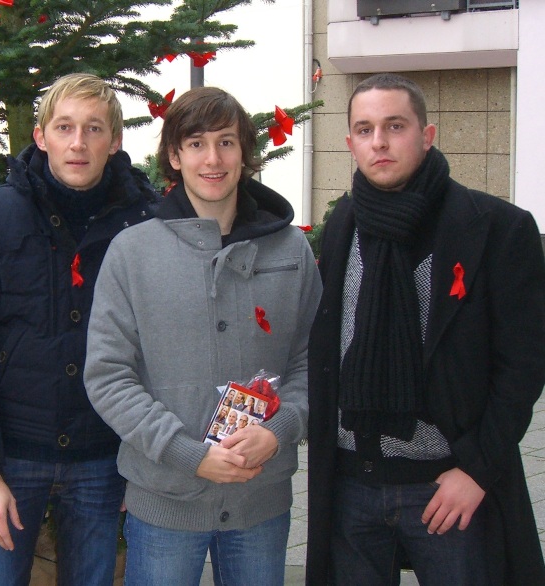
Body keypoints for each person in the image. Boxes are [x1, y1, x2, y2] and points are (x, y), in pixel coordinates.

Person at [305, 73, 545, 585]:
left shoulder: (497, 228)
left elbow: (523, 367)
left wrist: (477, 470)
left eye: (395, 126)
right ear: (350, 143)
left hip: (448, 489)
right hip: (351, 485)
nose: (379, 142)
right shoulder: (345, 221)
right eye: (365, 129)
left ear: (427, 135)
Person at [84, 86, 322, 586]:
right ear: (174, 156)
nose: (212, 159)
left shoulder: (290, 250)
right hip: (165, 500)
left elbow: (312, 360)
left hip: (261, 500)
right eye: (196, 144)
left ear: (244, 153)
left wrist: (280, 429)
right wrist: (187, 453)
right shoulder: (132, 252)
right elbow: (108, 376)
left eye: (226, 142)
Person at [0, 72, 157, 585]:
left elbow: (158, 349)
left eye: (93, 129)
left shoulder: (144, 221)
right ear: (41, 136)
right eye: (64, 127)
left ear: (114, 141)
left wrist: (143, 460)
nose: (78, 143)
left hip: (102, 455)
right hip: (12, 457)